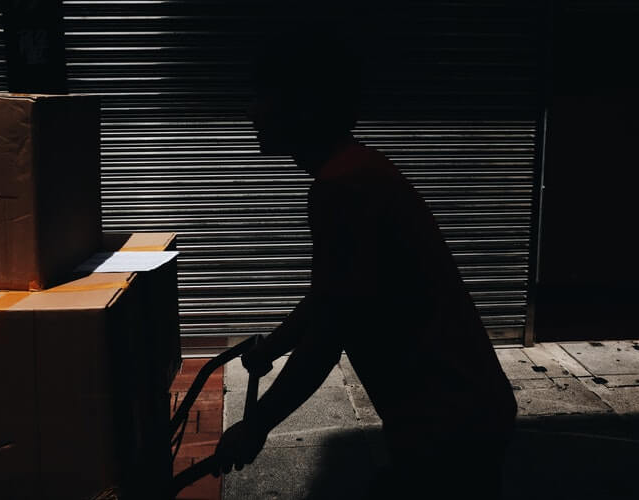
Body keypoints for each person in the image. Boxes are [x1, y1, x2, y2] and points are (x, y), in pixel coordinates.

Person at [212, 26, 518, 499]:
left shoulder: (342, 188)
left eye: (264, 96)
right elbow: (329, 296)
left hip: (445, 417)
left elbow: (331, 331)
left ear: (305, 105)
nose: (251, 111)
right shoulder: (358, 170)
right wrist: (272, 347)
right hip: (456, 411)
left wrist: (257, 426)